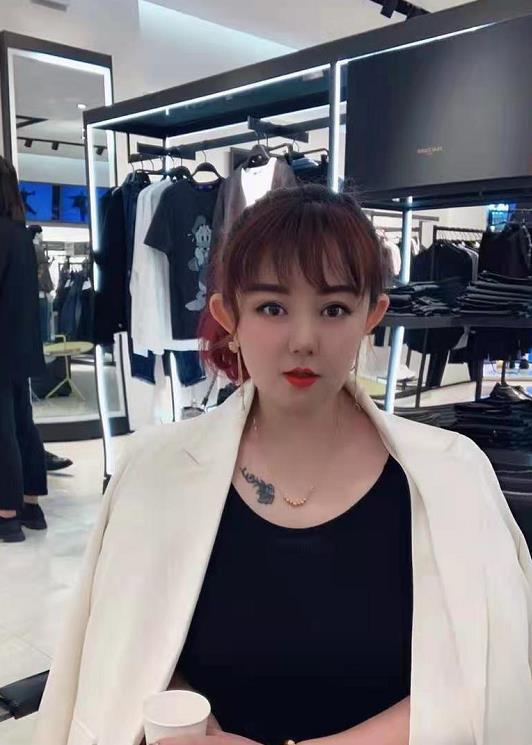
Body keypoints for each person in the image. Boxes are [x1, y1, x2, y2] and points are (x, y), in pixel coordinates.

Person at [33, 185, 532, 745]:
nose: (303, 340)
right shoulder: (154, 473)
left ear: (372, 316)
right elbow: (124, 647)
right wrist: (187, 720)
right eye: (272, 308)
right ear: (229, 316)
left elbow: (487, 674)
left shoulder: (452, 476)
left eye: (334, 309)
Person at [0, 156, 48, 542]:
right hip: (22, 343)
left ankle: (7, 514)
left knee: (3, 429)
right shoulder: (20, 234)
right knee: (22, 422)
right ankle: (31, 504)